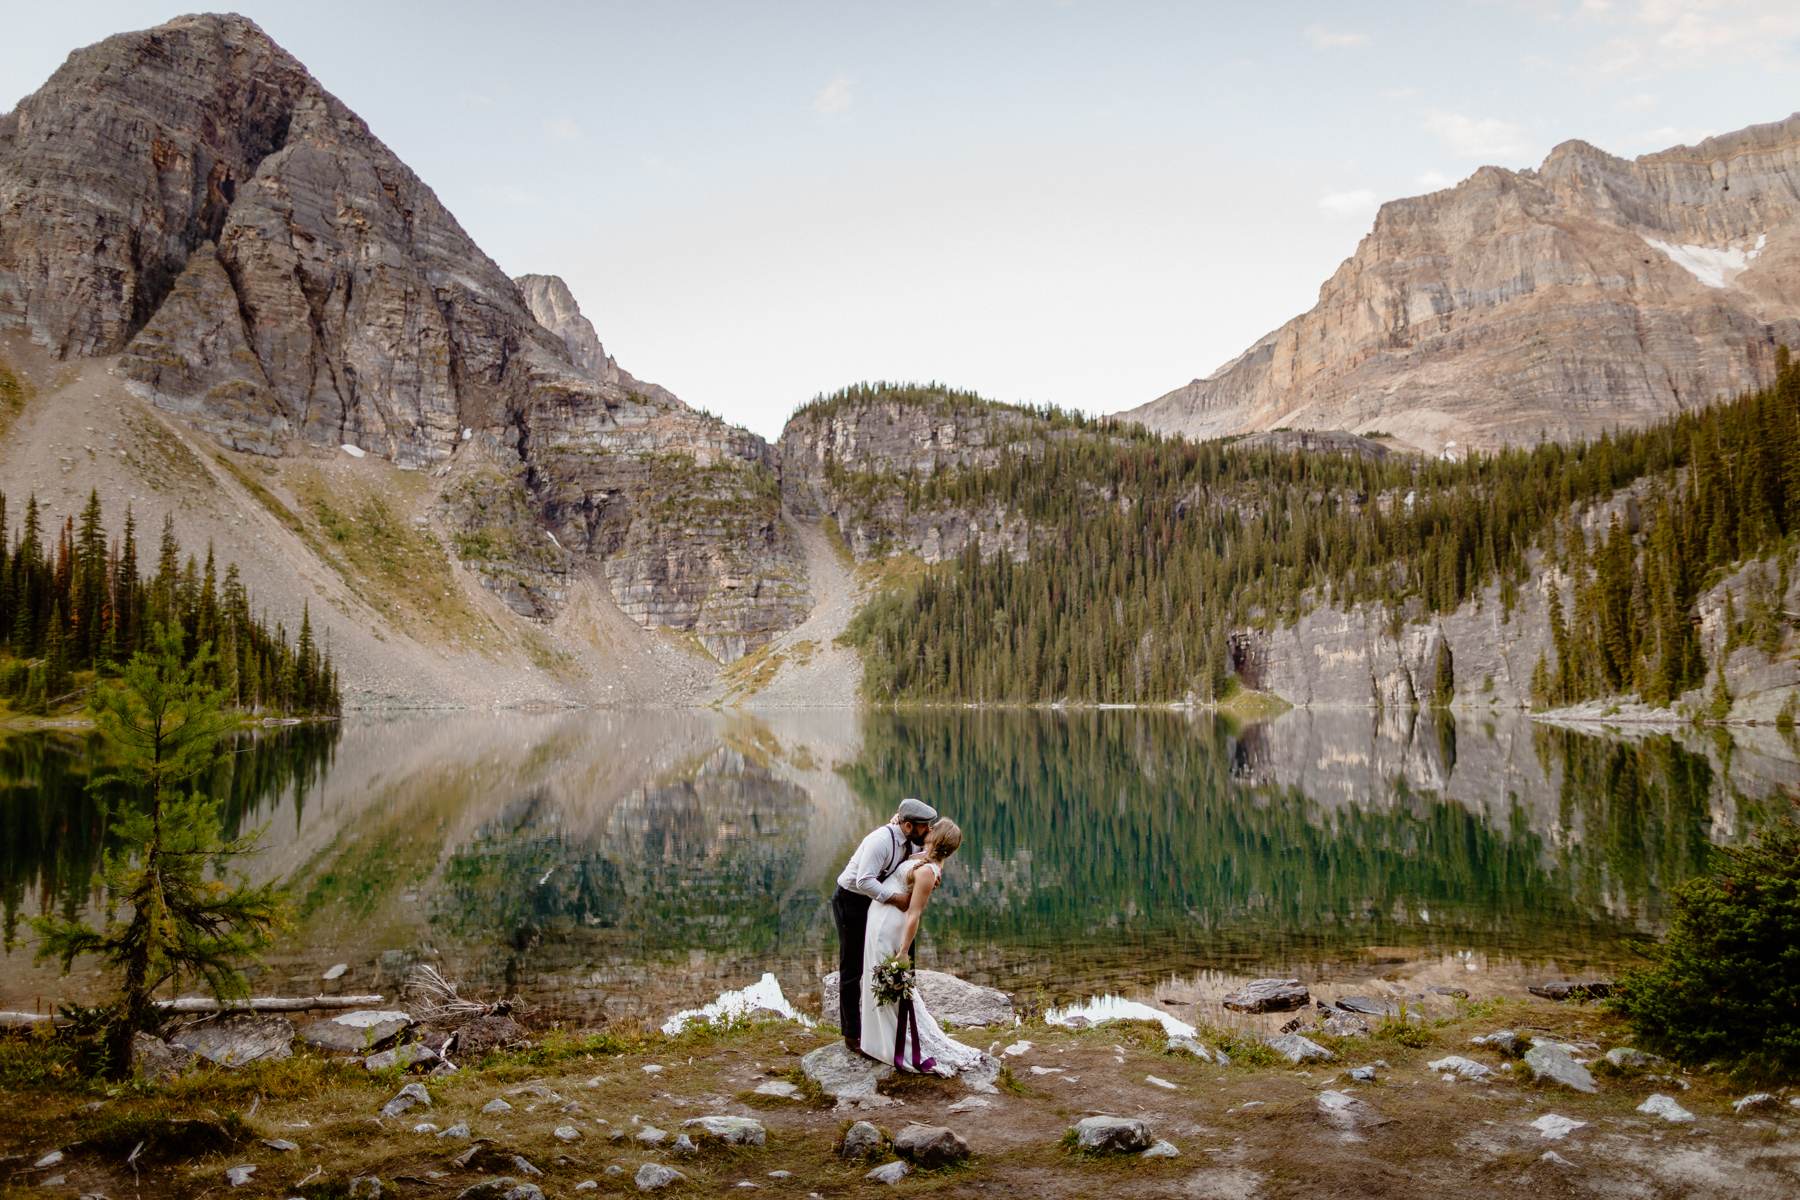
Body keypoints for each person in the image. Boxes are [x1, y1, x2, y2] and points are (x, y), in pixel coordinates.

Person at [858, 818, 982, 1074]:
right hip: (880, 919)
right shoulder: (923, 857)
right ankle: (877, 1042)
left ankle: (895, 1046)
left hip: (888, 926)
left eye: (935, 827)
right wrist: (897, 820)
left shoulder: (927, 871)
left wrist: (903, 951)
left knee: (886, 984)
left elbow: (914, 915)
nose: (930, 828)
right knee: (875, 980)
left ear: (939, 837)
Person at [831, 798, 936, 1052]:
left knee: (885, 956)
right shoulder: (880, 840)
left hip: (874, 904)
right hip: (851, 902)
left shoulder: (909, 840)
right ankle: (852, 1034)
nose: (928, 830)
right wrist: (896, 898)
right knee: (853, 967)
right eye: (925, 826)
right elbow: (864, 880)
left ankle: (891, 1027)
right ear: (909, 825)